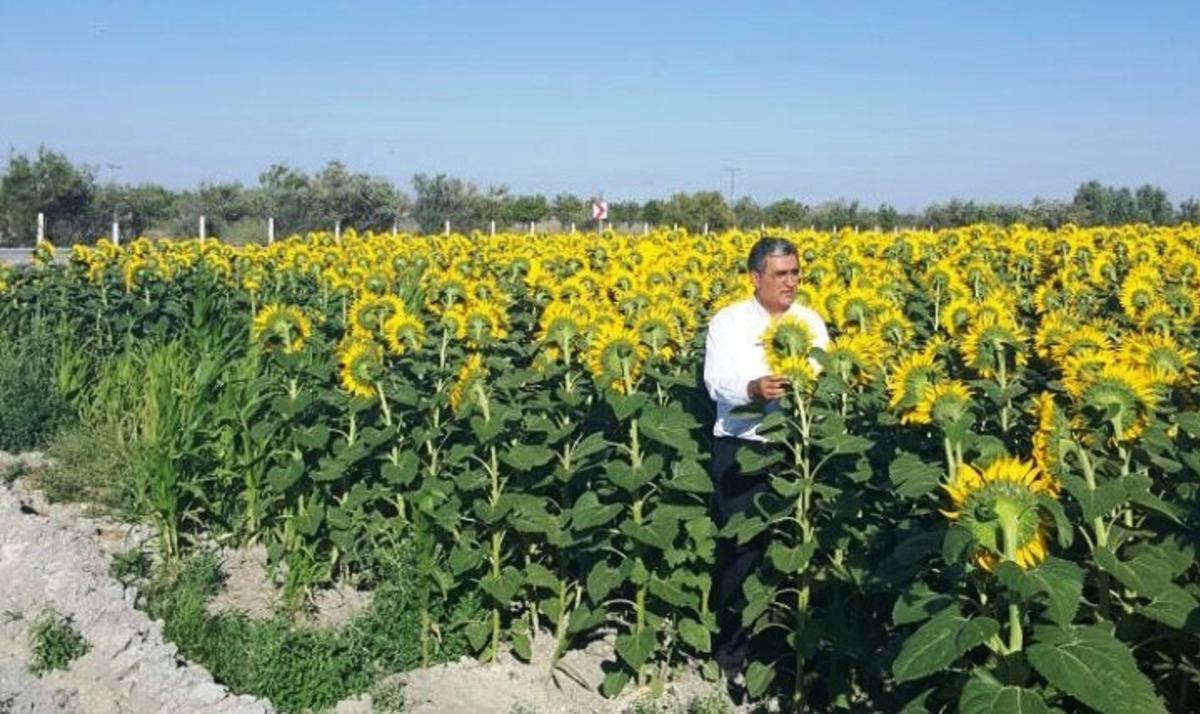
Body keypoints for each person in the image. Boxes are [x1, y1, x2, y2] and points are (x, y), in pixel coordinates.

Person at [702, 236, 830, 674]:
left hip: (798, 450)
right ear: (755, 278)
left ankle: (789, 648)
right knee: (741, 551)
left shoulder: (810, 322)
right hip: (742, 447)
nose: (790, 282)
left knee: (798, 549)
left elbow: (825, 377)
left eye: (795, 273)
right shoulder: (728, 322)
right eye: (780, 274)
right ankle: (732, 654)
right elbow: (715, 382)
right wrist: (753, 389)